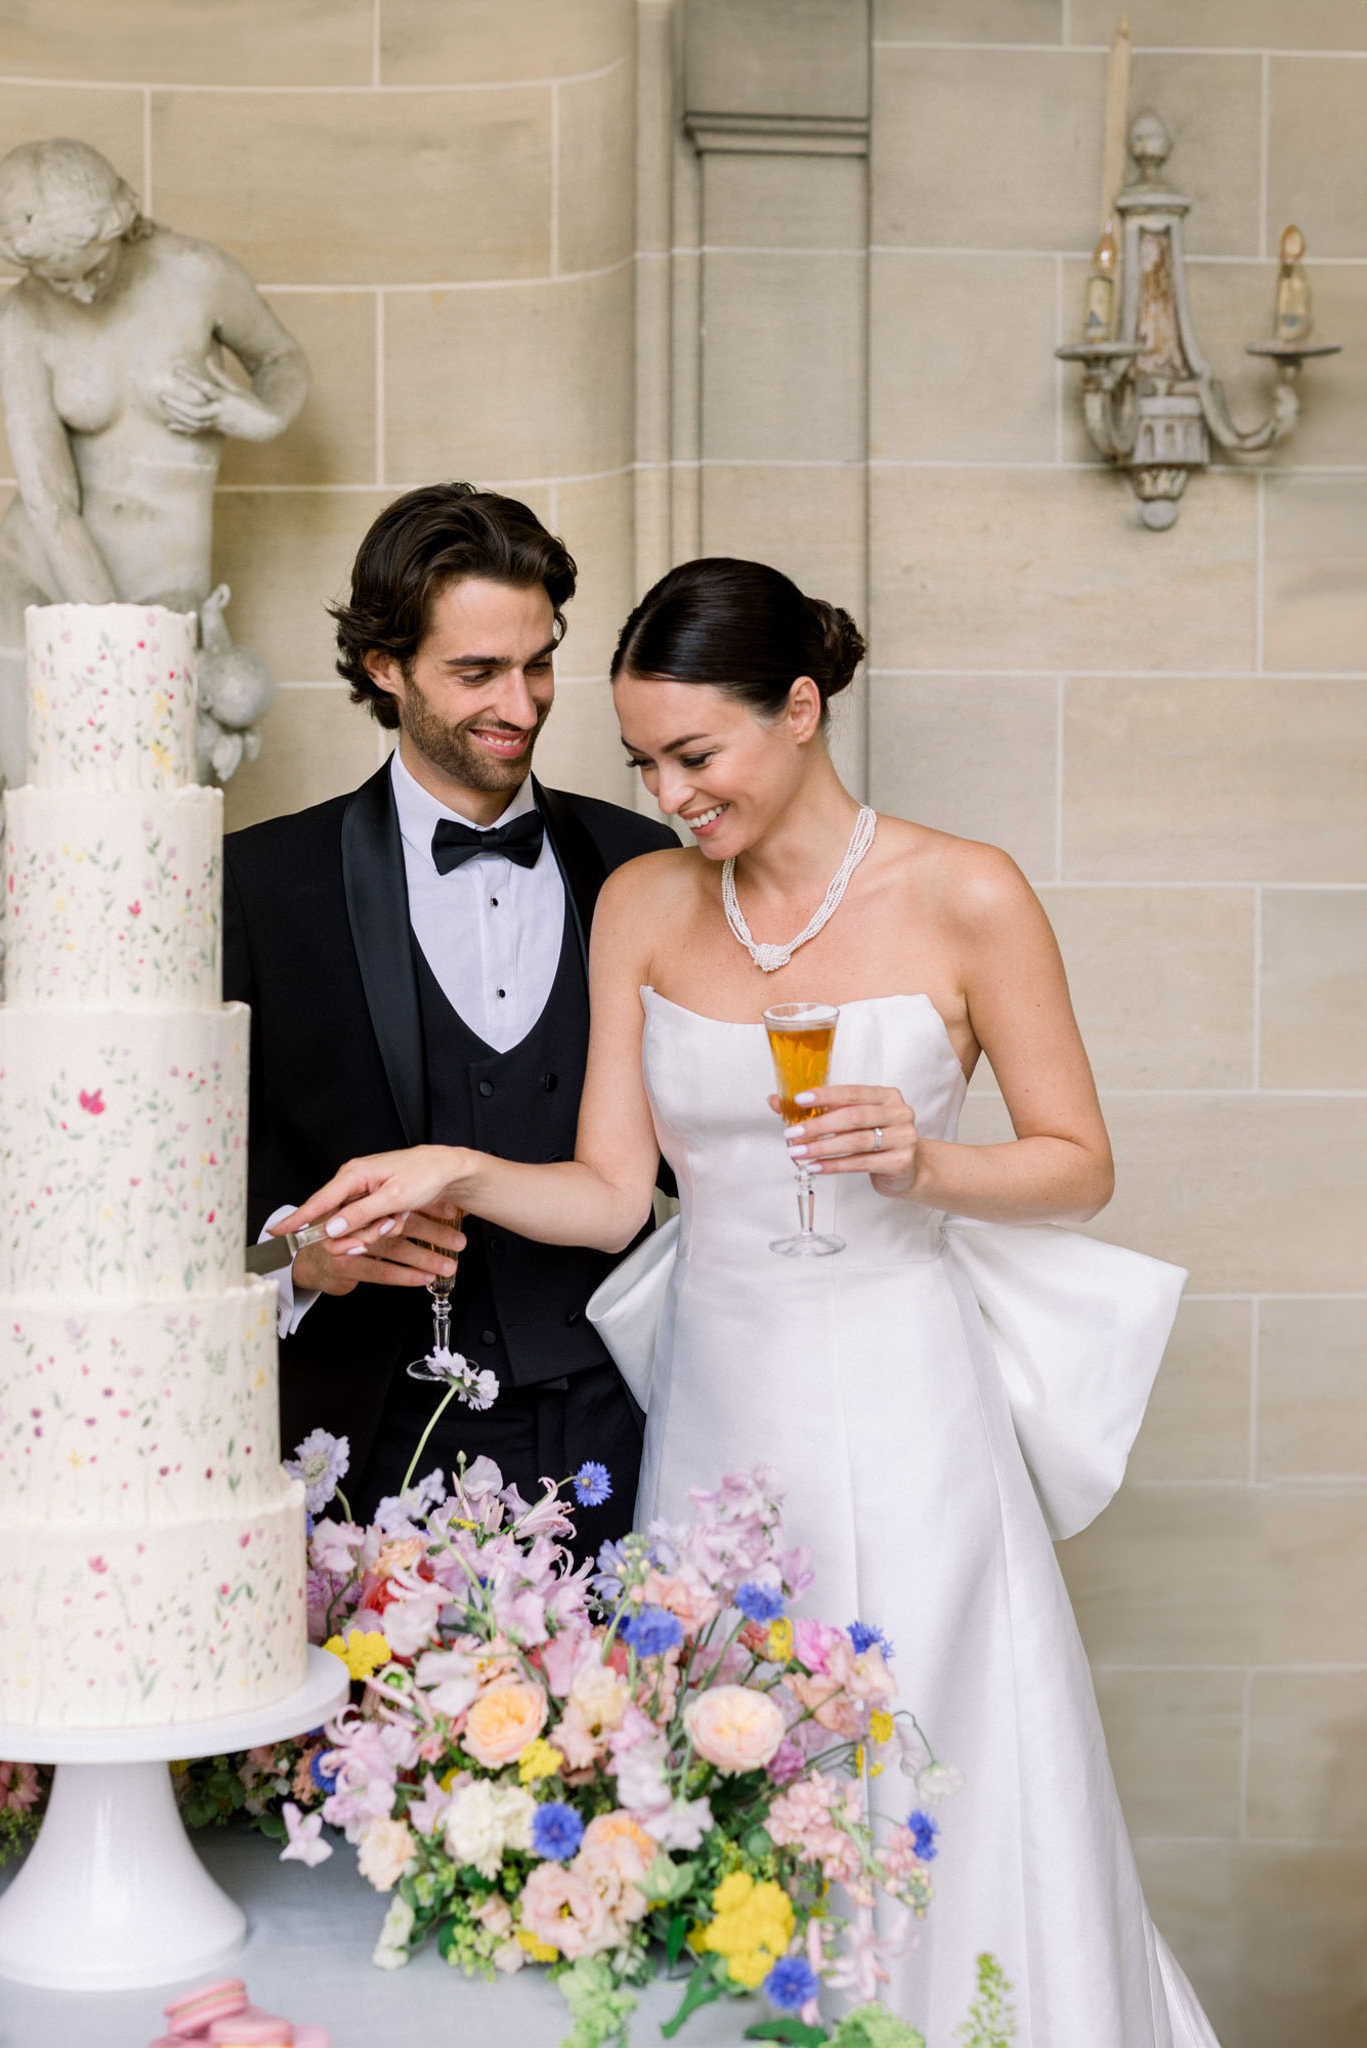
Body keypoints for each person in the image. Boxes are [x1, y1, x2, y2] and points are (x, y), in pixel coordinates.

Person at [283, 557, 1222, 2045]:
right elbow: (604, 1195)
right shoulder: (648, 905)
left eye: (695, 756)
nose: (667, 795)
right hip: (717, 1404)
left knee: (927, 1751)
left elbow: (1078, 1166)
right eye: (644, 761)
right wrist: (457, 1165)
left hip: (910, 1396)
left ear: (798, 709)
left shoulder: (966, 891)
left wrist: (923, 1162)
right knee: (724, 1755)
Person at [221, 484, 677, 1554]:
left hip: (627, 1419)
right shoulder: (259, 882)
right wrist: (300, 1262)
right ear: (387, 666)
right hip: (375, 1435)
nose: (519, 704)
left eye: (539, 662)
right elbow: (190, 1201)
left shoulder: (646, 864)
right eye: (476, 672)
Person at [0, 137, 307, 787]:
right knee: (38, 806)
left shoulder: (196, 275)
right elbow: (50, 502)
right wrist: (116, 637)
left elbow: (281, 361)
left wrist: (258, 417)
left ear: (121, 224)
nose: (78, 290)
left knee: (153, 814)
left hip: (166, 585)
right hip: (42, 574)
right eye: (56, 277)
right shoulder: (20, 319)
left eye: (91, 268)